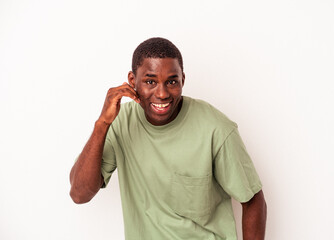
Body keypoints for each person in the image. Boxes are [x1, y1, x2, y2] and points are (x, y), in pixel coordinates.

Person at [69, 37, 267, 240]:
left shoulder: (216, 129)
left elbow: (252, 200)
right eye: (150, 82)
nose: (162, 93)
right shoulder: (120, 123)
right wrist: (102, 123)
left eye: (171, 81)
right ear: (132, 81)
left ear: (183, 80)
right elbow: (79, 193)